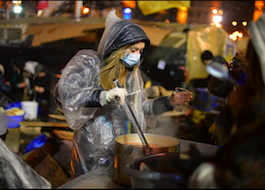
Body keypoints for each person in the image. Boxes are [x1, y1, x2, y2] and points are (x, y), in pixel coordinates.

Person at [54, 9, 192, 179]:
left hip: (124, 152)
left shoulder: (132, 76)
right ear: (117, 47)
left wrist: (168, 102)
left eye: (141, 51)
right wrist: (103, 96)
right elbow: (65, 95)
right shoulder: (90, 64)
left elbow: (141, 110)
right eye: (133, 49)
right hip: (92, 153)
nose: (137, 55)